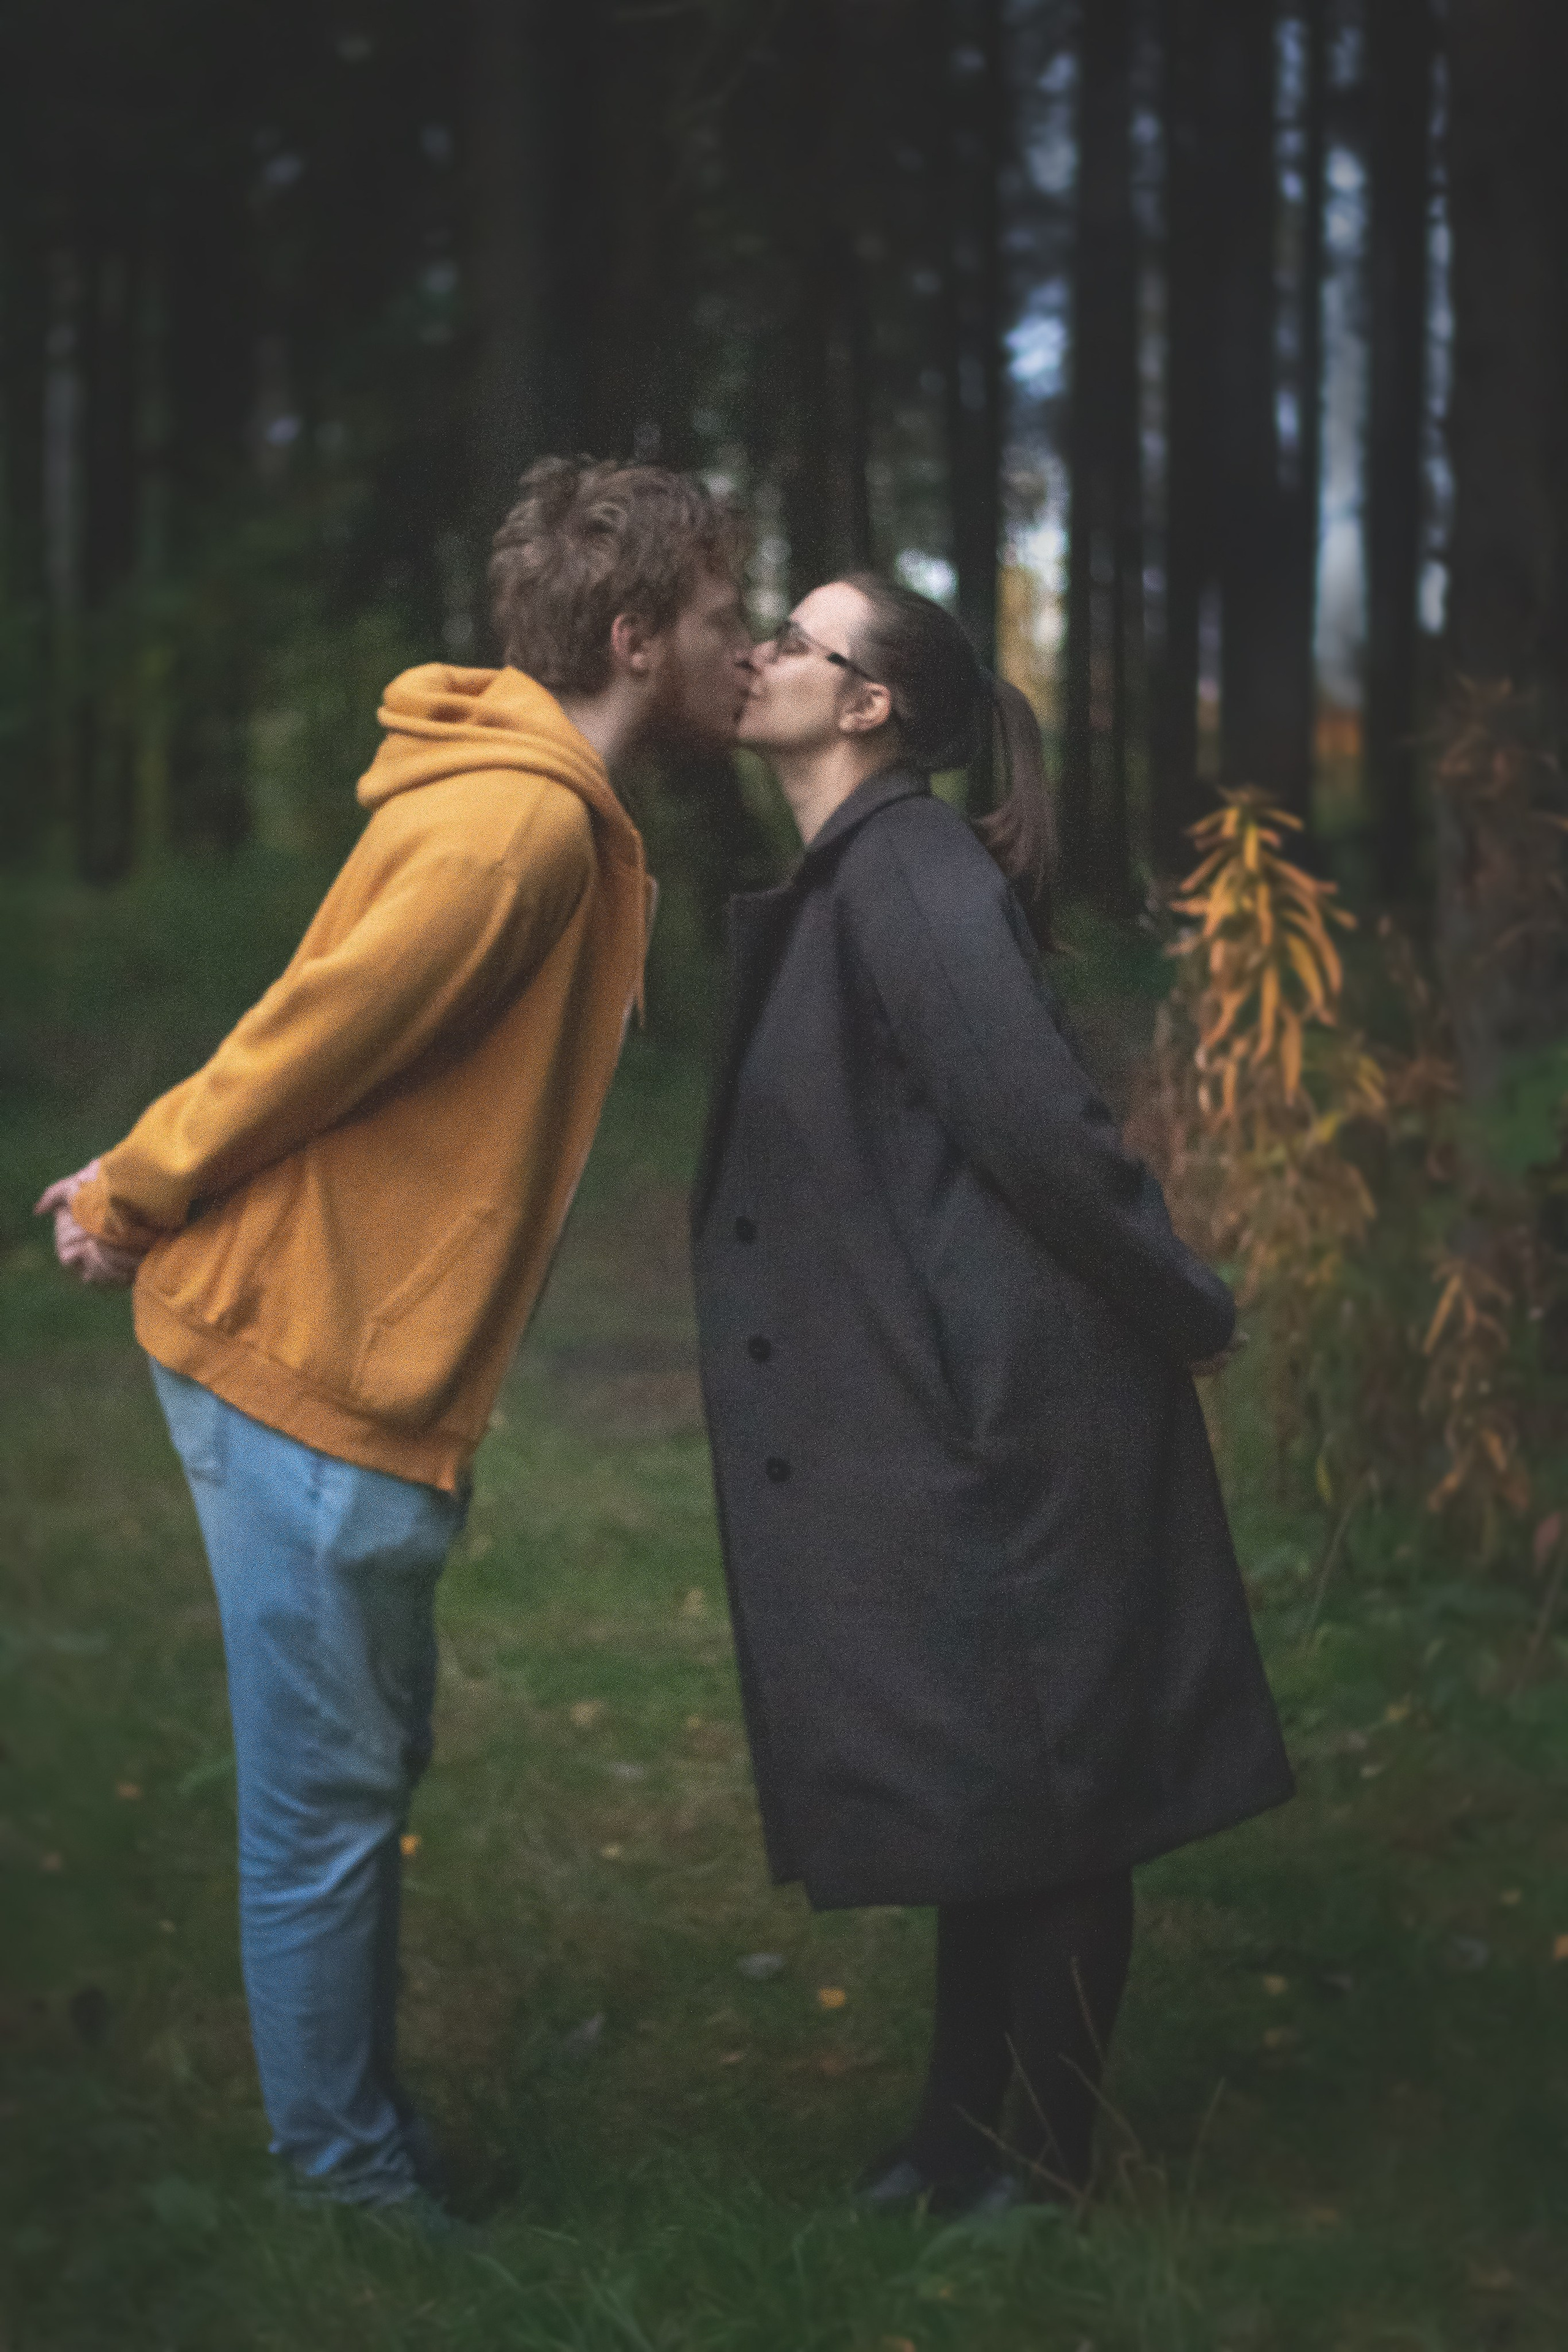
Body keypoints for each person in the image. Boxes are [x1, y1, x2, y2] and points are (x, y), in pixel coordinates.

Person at [36, 458, 755, 2218]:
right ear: (635, 637)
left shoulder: (537, 808)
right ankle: (346, 2186)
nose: (746, 648)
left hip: (353, 1368)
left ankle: (355, 2136)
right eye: (723, 616)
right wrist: (131, 1190)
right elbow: (311, 1038)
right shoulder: (518, 830)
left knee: (358, 1779)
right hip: (308, 1370)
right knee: (325, 1809)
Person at [690, 574, 1294, 2215]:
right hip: (957, 1407)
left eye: (798, 639)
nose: (759, 652)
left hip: (1025, 1415)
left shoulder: (910, 870)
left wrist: (1186, 1307)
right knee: (991, 1786)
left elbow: (1045, 1130)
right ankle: (957, 2142)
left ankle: (1050, 2167)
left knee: (1060, 1794)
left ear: (866, 705)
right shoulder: (859, 873)